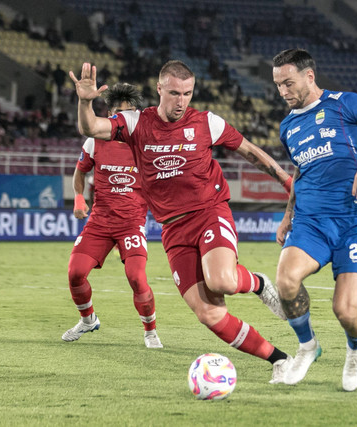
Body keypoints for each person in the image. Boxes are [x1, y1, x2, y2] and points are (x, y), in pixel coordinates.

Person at [69, 61, 294, 383]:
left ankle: (257, 283)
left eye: (187, 94)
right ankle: (280, 360)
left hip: (209, 212)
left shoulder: (207, 123)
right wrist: (85, 101)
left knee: (222, 282)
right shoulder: (135, 123)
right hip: (173, 227)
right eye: (174, 93)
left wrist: (287, 182)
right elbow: (91, 128)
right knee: (209, 314)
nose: (180, 101)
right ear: (159, 89)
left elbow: (250, 152)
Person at [271, 48, 357, 391]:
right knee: (286, 280)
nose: (283, 92)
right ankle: (307, 347)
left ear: (309, 76)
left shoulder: (345, 102)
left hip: (354, 219)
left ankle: (355, 349)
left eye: (288, 83)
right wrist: (288, 215)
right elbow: (300, 171)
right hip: (311, 221)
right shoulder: (287, 126)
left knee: (346, 311)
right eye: (278, 85)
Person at [62, 83, 163, 348]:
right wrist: (79, 198)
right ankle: (88, 320)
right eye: (119, 114)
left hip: (132, 223)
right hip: (100, 221)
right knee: (75, 272)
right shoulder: (95, 140)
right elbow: (80, 171)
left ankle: (150, 332)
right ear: (111, 115)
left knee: (136, 277)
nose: (125, 120)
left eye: (130, 114)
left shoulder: (147, 142)